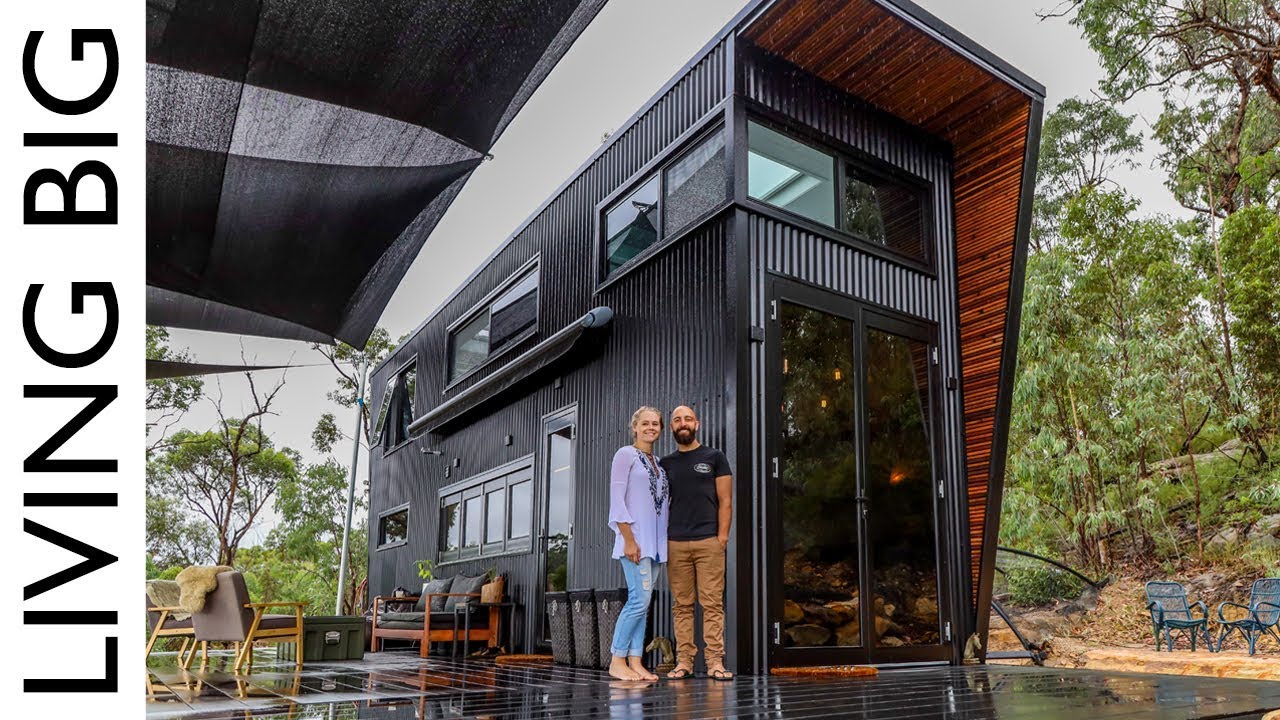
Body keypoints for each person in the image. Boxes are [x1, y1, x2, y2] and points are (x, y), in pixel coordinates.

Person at [661, 405, 734, 680]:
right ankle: (684, 663)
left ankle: (715, 662)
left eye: (688, 419)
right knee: (682, 605)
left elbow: (726, 501)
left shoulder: (715, 457)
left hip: (708, 542)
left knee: (712, 604)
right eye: (677, 420)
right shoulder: (665, 464)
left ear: (697, 424)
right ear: (671, 427)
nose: (683, 423)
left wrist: (722, 538)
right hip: (676, 543)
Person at [606, 406, 669, 681]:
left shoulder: (659, 463)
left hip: (655, 545)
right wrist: (629, 540)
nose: (650, 427)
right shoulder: (625, 455)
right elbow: (617, 499)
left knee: (643, 603)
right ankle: (617, 660)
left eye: (655, 423)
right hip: (635, 542)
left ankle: (635, 661)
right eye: (645, 423)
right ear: (635, 427)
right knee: (638, 600)